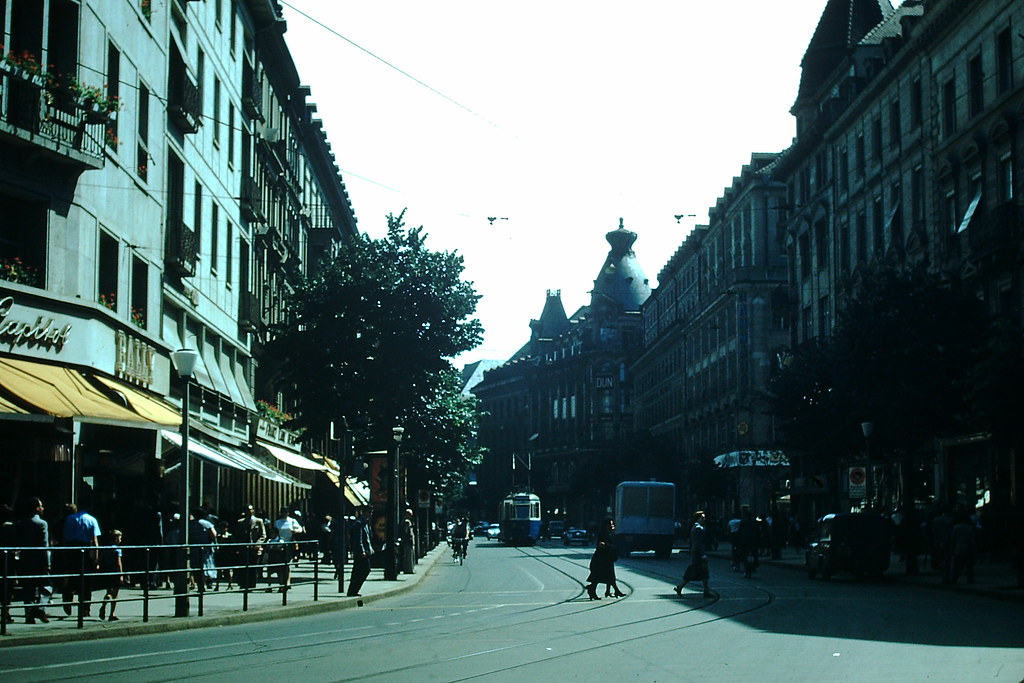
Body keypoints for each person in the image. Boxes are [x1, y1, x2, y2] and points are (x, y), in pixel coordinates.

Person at [14, 497, 52, 623]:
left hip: (25, 559)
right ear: (37, 508)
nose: (43, 508)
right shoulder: (42, 524)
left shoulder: (20, 523)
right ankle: (40, 608)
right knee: (47, 586)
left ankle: (29, 615)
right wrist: (47, 562)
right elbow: (44, 544)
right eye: (41, 506)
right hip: (39, 560)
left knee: (28, 588)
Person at [61, 502, 101, 616]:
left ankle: (68, 594)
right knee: (87, 582)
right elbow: (94, 540)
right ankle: (85, 609)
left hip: (72, 548)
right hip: (86, 549)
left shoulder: (70, 519)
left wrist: (65, 553)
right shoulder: (92, 520)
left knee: (74, 575)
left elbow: (66, 537)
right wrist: (96, 557)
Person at [675, 510, 712, 597]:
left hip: (697, 552)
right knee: (697, 572)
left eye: (704, 517)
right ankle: (680, 586)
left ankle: (706, 591)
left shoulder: (696, 527)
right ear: (697, 519)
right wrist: (703, 554)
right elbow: (698, 543)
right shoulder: (698, 528)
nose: (704, 519)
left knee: (702, 573)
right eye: (702, 517)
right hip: (698, 554)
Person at [585, 518, 623, 599]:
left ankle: (593, 590)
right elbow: (601, 544)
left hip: (607, 559)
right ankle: (615, 591)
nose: (613, 526)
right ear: (606, 526)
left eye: (613, 525)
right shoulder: (603, 534)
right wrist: (606, 545)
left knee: (606, 577)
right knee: (600, 577)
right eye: (611, 525)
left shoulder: (610, 534)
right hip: (601, 560)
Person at [234, 505, 266, 590]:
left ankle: (252, 583)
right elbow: (238, 534)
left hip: (254, 548)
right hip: (244, 547)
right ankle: (243, 583)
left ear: (253, 511)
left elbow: (263, 535)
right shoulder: (240, 522)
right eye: (247, 510)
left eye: (250, 510)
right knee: (243, 566)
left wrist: (257, 544)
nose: (249, 512)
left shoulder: (259, 521)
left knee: (253, 566)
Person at [270, 507, 303, 590]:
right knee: (279, 564)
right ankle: (281, 582)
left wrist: (295, 531)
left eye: (286, 512)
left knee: (287, 563)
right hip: (280, 543)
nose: (285, 513)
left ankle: (288, 582)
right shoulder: (277, 522)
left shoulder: (292, 521)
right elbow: (275, 532)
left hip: (289, 544)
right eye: (283, 512)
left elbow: (300, 529)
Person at [347, 506, 375, 597]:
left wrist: (370, 549)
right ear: (365, 512)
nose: (371, 514)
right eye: (370, 512)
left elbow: (367, 538)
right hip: (360, 552)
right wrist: (362, 550)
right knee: (364, 570)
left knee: (358, 570)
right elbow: (358, 539)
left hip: (365, 551)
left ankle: (353, 590)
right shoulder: (359, 523)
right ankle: (353, 590)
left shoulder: (366, 523)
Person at [98, 529, 124, 621]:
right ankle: (112, 613)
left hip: (107, 570)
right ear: (116, 539)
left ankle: (104, 605)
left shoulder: (106, 548)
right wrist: (121, 574)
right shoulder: (117, 549)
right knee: (115, 594)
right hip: (115, 571)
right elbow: (119, 562)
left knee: (109, 591)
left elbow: (101, 559)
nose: (121, 540)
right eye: (120, 538)